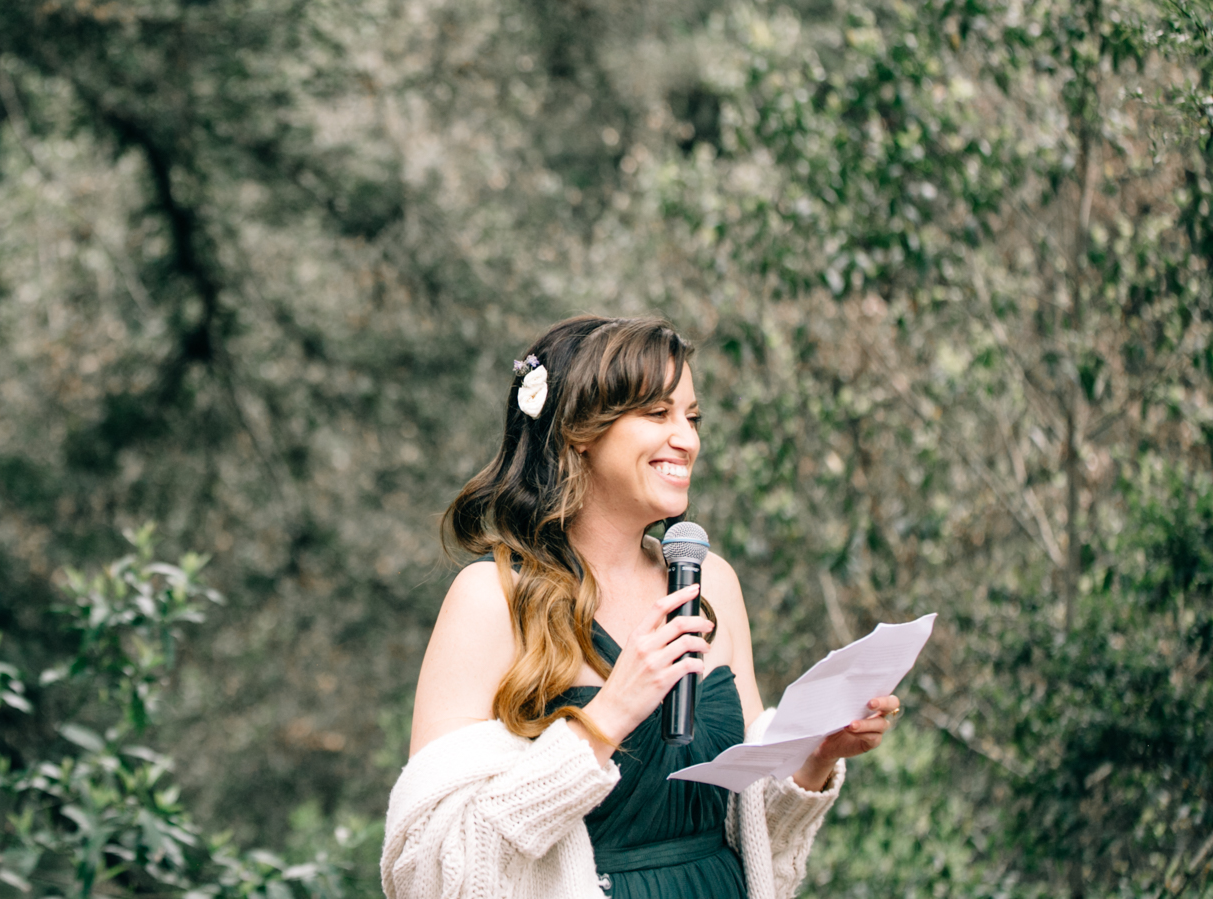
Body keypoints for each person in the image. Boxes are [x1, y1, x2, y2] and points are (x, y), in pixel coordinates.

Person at [382, 316, 903, 899]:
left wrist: (815, 757)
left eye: (692, 417)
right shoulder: (493, 599)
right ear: (579, 431)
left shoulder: (711, 583)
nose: (688, 439)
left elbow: (751, 829)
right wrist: (606, 719)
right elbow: (432, 868)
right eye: (658, 414)